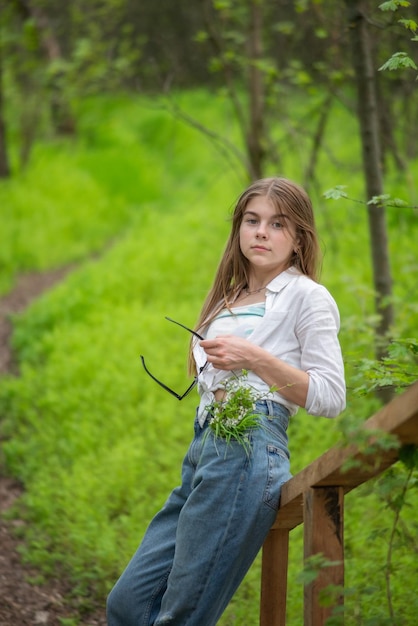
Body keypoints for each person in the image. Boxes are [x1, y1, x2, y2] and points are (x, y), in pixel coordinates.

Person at [106, 176, 346, 626]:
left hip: (250, 446)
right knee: (128, 605)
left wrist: (252, 356)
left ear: (298, 240)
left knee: (182, 615)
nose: (261, 231)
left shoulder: (307, 298)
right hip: (204, 450)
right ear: (238, 229)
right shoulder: (229, 298)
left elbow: (331, 396)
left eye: (278, 224)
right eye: (252, 220)